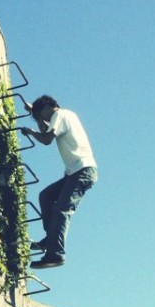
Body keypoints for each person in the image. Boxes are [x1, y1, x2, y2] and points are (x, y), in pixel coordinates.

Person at [20, 95, 98, 269]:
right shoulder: (65, 116)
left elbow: (46, 139)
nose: (44, 119)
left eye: (42, 114)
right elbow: (47, 133)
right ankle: (50, 240)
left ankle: (55, 254)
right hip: (74, 173)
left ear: (49, 105)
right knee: (46, 196)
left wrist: (31, 131)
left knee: (62, 209)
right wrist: (37, 115)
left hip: (82, 171)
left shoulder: (60, 114)